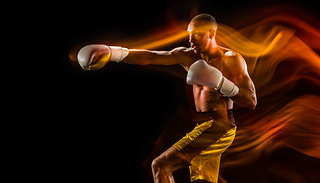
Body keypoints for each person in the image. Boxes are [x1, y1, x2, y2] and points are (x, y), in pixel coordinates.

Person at [77, 13, 257, 183]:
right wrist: (113, 52)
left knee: (160, 165)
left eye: (197, 34)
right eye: (190, 34)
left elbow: (251, 101)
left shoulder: (231, 59)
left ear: (212, 33)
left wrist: (221, 83)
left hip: (219, 126)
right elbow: (151, 57)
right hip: (203, 125)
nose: (191, 39)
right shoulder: (187, 56)